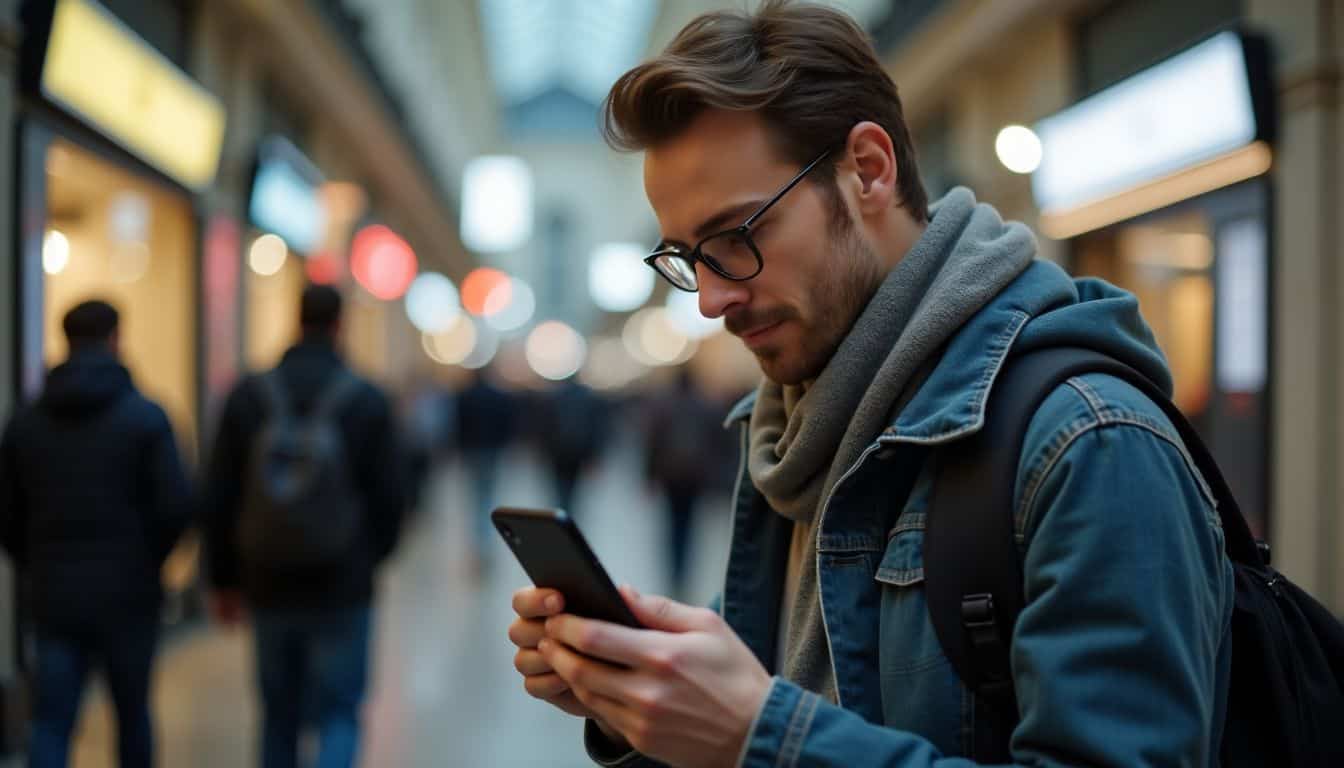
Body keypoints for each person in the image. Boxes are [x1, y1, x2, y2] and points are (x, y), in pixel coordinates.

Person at [507, 2, 1235, 767]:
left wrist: (764, 738)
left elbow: (774, 725)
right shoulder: (795, 434)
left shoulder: (1089, 444)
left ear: (868, 171)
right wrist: (643, 699)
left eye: (736, 238)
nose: (712, 299)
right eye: (690, 257)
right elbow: (783, 690)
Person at [201, 284, 406, 768]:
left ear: (296, 320)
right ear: (340, 325)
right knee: (339, 711)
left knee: (278, 713)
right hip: (343, 584)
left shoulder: (249, 395)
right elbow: (393, 499)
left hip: (267, 582)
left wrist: (223, 579)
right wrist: (366, 558)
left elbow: (218, 494)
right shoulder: (367, 399)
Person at [0, 300, 190, 768]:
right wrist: (148, 560)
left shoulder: (26, 424)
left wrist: (36, 561)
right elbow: (177, 506)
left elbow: (6, 515)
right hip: (129, 594)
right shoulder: (145, 417)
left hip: (53, 593)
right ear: (115, 340)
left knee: (51, 721)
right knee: (133, 716)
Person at [640, 367, 724, 599]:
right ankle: (684, 571)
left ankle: (674, 571)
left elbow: (652, 444)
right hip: (695, 477)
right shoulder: (705, 406)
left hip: (670, 476)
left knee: (672, 525)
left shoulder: (664, 406)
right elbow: (715, 445)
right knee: (689, 526)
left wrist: (648, 476)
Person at [455, 367, 516, 576]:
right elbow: (507, 423)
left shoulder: (465, 395)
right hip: (492, 451)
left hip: (473, 451)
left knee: (476, 498)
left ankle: (479, 543)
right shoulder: (497, 396)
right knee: (487, 497)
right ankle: (485, 542)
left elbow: (458, 425)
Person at [534, 377, 609, 519]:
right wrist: (594, 455)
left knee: (560, 487)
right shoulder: (589, 398)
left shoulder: (555, 397)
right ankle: (568, 515)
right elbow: (597, 428)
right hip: (579, 451)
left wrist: (542, 451)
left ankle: (562, 513)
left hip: (558, 451)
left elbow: (544, 426)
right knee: (573, 488)